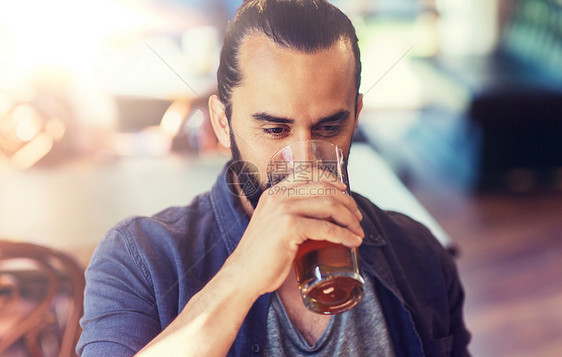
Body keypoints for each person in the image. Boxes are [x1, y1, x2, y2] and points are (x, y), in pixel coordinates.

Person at [77, 0, 471, 356]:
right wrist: (242, 275)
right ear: (222, 123)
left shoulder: (421, 254)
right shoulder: (138, 259)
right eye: (274, 131)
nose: (304, 160)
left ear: (356, 114)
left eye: (329, 128)